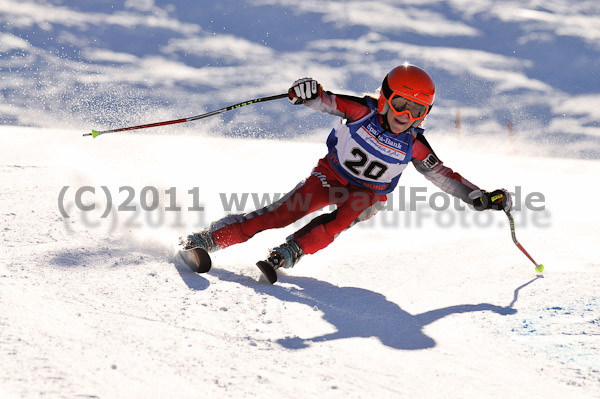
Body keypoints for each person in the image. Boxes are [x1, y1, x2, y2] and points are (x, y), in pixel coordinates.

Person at [182, 64, 511, 276]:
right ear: (385, 98)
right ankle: (208, 239)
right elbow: (325, 101)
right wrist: (306, 92)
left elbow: (442, 175)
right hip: (330, 176)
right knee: (281, 213)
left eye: (416, 109)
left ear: (424, 113)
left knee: (346, 214)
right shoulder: (362, 112)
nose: (405, 115)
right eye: (400, 104)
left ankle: (291, 250)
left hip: (368, 196)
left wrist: (477, 197)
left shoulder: (415, 144)